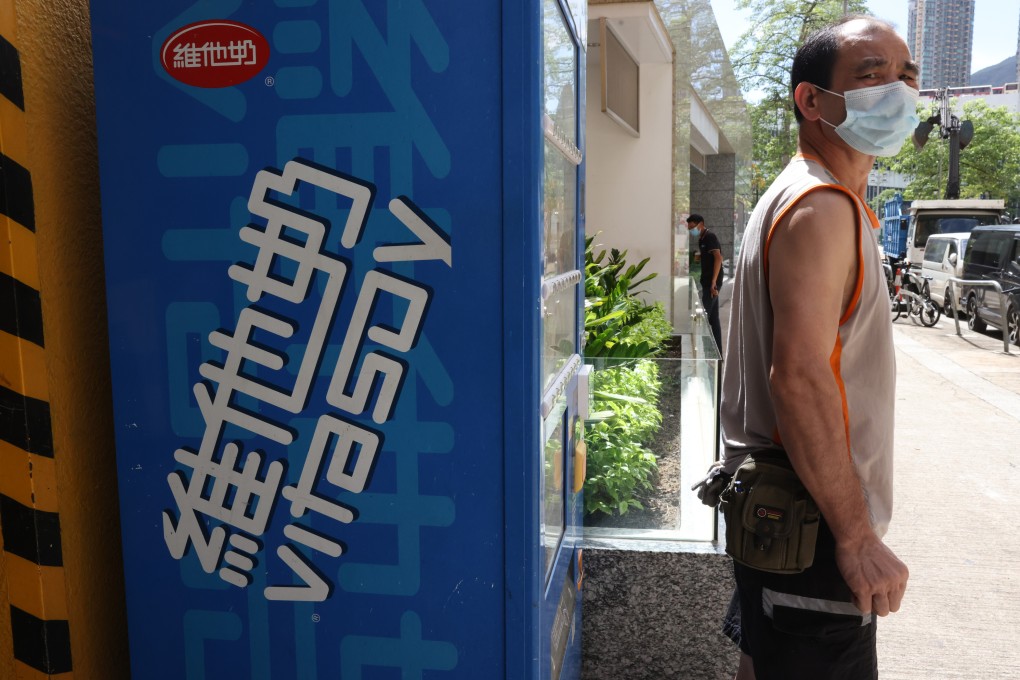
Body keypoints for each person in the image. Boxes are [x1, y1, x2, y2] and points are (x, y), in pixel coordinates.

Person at [718, 15, 915, 680]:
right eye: (873, 75)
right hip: (814, 528)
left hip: (781, 518)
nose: (899, 91)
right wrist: (856, 539)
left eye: (907, 76)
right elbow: (798, 377)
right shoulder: (821, 208)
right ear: (811, 100)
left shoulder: (802, 198)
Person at [687, 213, 724, 354]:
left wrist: (714, 282)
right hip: (707, 281)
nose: (692, 231)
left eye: (693, 227)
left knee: (704, 318)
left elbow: (718, 258)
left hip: (712, 283)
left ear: (701, 224)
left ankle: (704, 352)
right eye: (690, 228)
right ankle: (717, 353)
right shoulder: (702, 238)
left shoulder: (710, 237)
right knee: (713, 319)